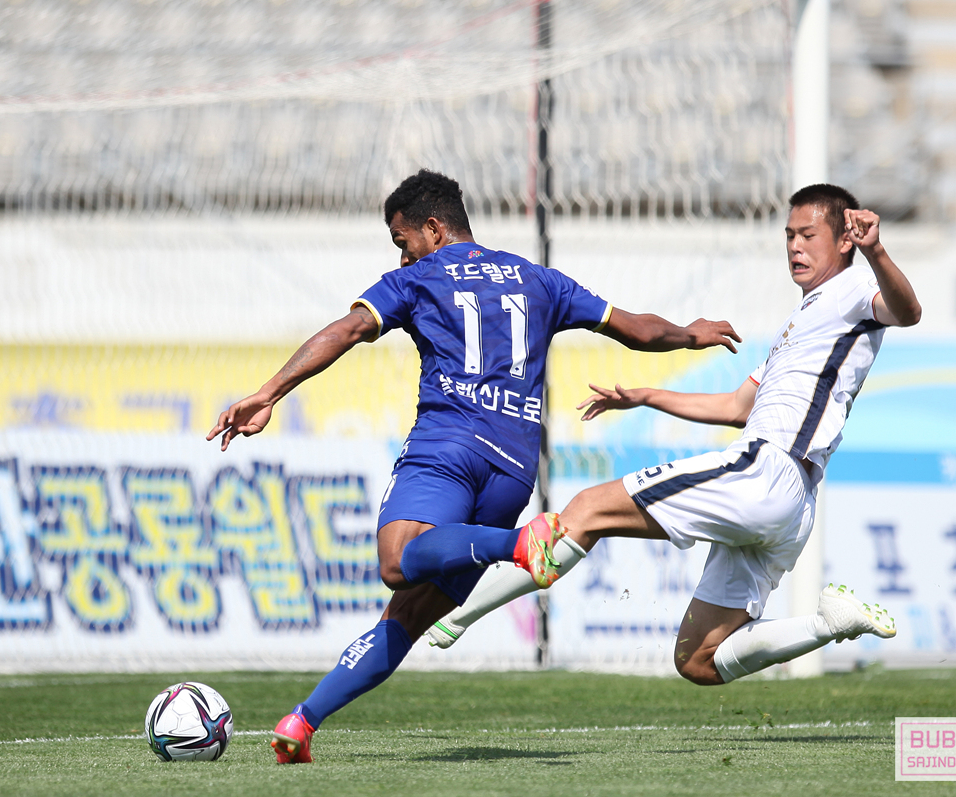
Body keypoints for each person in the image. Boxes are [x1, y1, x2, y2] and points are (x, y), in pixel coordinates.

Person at [207, 169, 741, 762]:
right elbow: (634, 328)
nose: (401, 255)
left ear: (433, 229)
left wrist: (269, 392)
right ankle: (302, 722)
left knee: (396, 561)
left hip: (448, 446)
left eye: (403, 240)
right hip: (513, 470)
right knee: (408, 616)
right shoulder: (539, 279)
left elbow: (351, 327)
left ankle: (517, 545)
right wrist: (689, 335)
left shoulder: (418, 278)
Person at [421, 184, 922, 687]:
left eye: (808, 235)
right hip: (791, 504)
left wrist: (876, 250)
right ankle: (826, 624)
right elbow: (736, 407)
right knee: (699, 661)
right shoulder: (801, 321)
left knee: (588, 509)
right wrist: (646, 396)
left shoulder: (853, 288)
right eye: (789, 235)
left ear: (845, 240)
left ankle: (456, 615)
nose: (794, 246)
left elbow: (906, 312)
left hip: (764, 471)